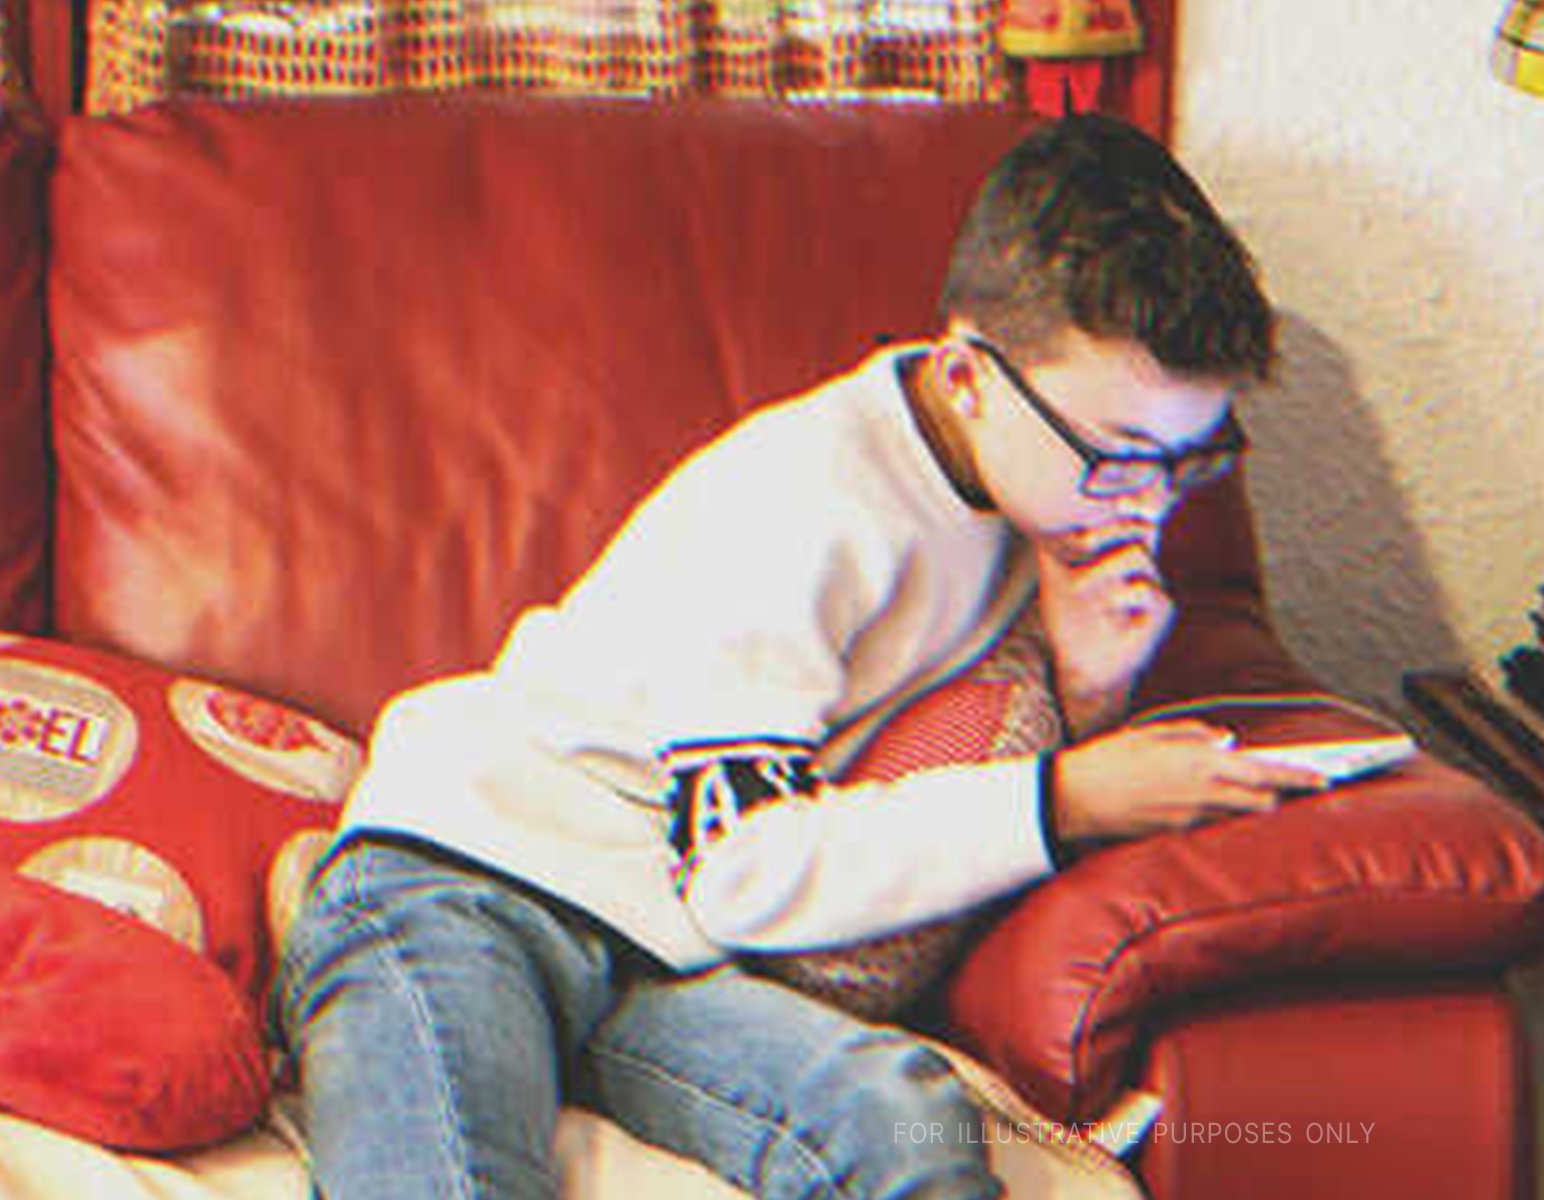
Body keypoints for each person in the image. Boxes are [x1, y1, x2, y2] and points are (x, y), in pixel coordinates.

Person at [274, 113, 1327, 1200]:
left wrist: (1090, 684)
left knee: (904, 1121)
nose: (1149, 505)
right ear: (966, 376)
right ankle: (334, 927)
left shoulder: (1043, 502)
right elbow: (744, 868)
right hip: (478, 870)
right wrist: (1059, 799)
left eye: (1190, 461)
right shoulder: (803, 500)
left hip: (662, 946)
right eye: (1118, 458)